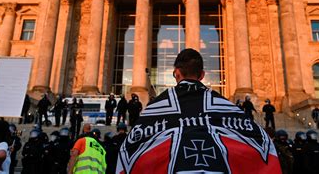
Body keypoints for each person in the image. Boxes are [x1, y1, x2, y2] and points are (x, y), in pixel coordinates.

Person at [116, 49, 281, 173]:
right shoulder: (228, 108)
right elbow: (264, 149)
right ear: (202, 75)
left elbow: (128, 155)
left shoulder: (155, 109)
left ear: (177, 73)